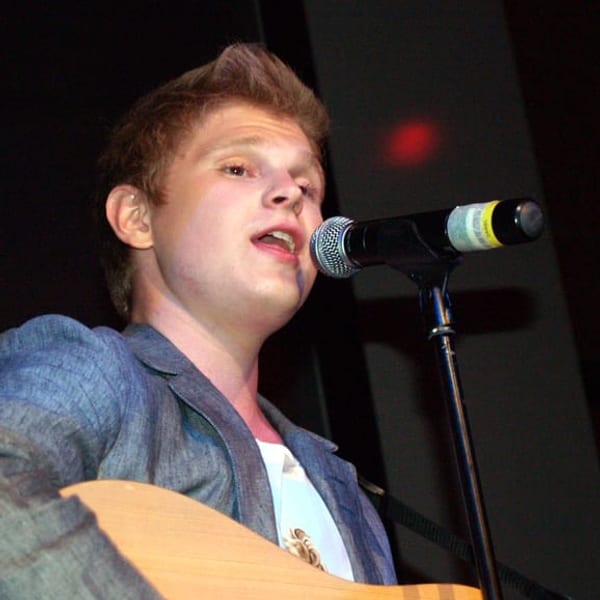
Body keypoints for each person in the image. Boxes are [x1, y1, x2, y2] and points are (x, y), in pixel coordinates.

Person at [0, 43, 396, 597]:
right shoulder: (101, 375)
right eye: (238, 168)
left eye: (308, 188)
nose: (290, 194)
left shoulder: (344, 491)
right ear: (137, 218)